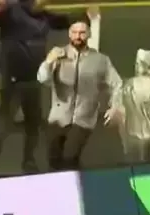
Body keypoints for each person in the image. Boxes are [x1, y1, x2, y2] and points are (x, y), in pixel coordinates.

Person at [0, 0, 98, 174]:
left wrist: (86, 13)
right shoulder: (13, 11)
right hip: (14, 79)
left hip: (33, 78)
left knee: (33, 123)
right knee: (4, 121)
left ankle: (29, 162)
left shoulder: (44, 17)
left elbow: (64, 20)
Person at [37, 16, 122, 171]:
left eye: (82, 32)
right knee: (54, 160)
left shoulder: (100, 60)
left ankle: (75, 181)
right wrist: (49, 61)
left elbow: (117, 84)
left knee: (70, 157)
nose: (78, 36)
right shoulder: (58, 54)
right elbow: (42, 79)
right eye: (75, 32)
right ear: (69, 34)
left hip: (83, 119)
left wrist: (115, 105)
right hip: (58, 117)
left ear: (88, 34)